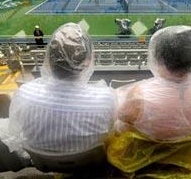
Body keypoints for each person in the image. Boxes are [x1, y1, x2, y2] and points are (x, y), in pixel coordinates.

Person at [107, 25, 191, 177]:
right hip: (180, 162)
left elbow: (121, 118)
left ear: (157, 55)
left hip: (139, 164)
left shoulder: (140, 94)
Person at [6, 23, 116, 155]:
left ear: (49, 59)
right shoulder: (106, 99)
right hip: (90, 163)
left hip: (44, 163)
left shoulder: (24, 94)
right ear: (88, 61)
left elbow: (16, 136)